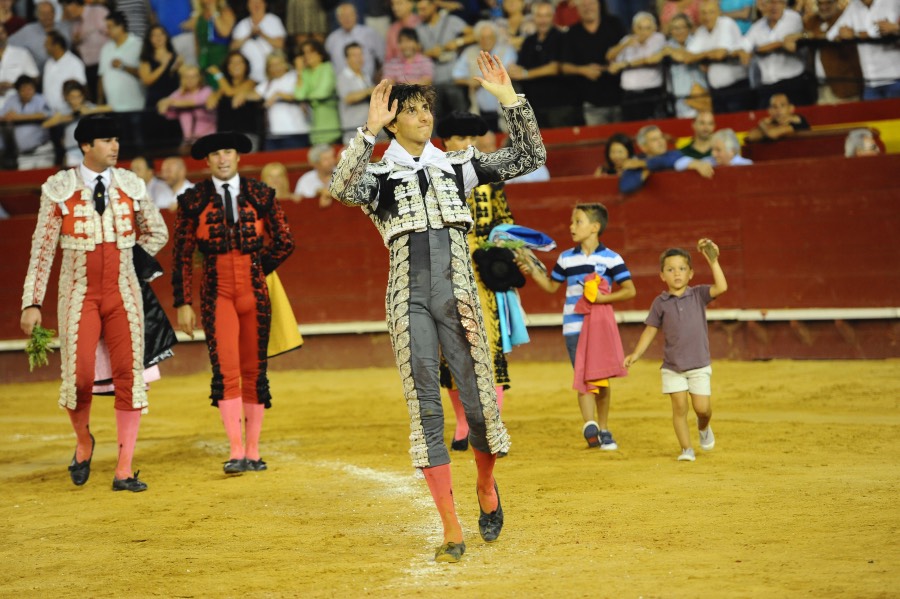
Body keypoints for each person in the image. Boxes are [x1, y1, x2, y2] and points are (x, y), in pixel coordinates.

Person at [329, 52, 546, 563]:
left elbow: (529, 156)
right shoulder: (379, 177)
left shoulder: (459, 166)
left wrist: (509, 98)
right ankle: (451, 528)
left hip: (460, 293)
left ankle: (486, 486)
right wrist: (366, 133)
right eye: (413, 111)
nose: (426, 117)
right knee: (425, 402)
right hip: (408, 299)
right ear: (393, 120)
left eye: (428, 108)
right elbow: (340, 187)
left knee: (478, 403)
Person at [19, 114, 168, 492]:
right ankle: (84, 442)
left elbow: (157, 231)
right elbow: (41, 251)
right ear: (86, 146)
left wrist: (131, 260)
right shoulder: (59, 188)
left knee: (129, 379)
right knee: (79, 378)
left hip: (123, 293)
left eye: (116, 139)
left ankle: (123, 468)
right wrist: (31, 303)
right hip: (78, 295)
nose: (114, 146)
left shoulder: (131, 184)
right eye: (106, 140)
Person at [172, 131, 295, 474]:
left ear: (238, 157)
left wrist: (257, 269)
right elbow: (181, 256)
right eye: (215, 154)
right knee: (226, 372)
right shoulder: (193, 200)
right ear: (207, 161)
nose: (222, 158)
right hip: (217, 296)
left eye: (227, 152)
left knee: (254, 372)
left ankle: (253, 451)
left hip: (254, 295)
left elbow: (285, 240)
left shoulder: (260, 194)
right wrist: (183, 302)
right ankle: (237, 450)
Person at [516, 203, 635, 451]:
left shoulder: (611, 258)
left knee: (600, 379)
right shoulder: (566, 258)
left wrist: (603, 299)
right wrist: (533, 272)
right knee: (583, 375)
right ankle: (591, 425)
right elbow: (551, 287)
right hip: (574, 326)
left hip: (600, 328)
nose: (571, 226)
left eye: (577, 221)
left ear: (595, 227)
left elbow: (629, 290)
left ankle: (602, 428)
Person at [434, 111, 514, 452]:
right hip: (447, 270)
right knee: (452, 349)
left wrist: (499, 249)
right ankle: (464, 423)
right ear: (446, 142)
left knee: (489, 346)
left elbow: (506, 220)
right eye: (460, 139)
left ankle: (492, 424)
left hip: (483, 272)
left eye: (472, 138)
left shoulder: (490, 178)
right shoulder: (433, 175)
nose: (468, 145)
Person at [623, 239, 727, 461]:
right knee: (679, 407)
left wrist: (713, 262)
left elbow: (722, 287)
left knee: (702, 409)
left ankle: (704, 428)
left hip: (699, 364)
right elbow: (650, 331)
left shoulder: (698, 294)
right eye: (670, 270)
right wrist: (636, 354)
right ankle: (686, 448)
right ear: (662, 275)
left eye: (682, 269)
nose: (676, 274)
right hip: (673, 367)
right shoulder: (660, 303)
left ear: (690, 273)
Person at [509, 1, 579, 128]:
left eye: (547, 16)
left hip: (559, 105)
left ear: (553, 17)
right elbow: (521, 67)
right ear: (533, 18)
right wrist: (514, 70)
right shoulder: (528, 42)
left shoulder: (562, 38)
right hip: (534, 107)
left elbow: (555, 67)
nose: (543, 20)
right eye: (539, 16)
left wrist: (525, 74)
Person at [560, 0, 627, 125]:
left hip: (620, 96)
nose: (587, 8)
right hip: (590, 101)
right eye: (583, 5)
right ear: (578, 9)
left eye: (591, 4)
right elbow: (563, 67)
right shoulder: (572, 33)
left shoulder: (614, 24)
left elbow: (628, 49)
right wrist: (583, 70)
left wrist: (615, 65)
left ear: (599, 5)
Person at [785, 0, 862, 104]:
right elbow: (789, 42)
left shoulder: (845, 17)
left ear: (837, 3)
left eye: (828, 3)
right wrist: (807, 36)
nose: (824, 7)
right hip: (820, 86)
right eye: (820, 3)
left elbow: (833, 36)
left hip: (844, 86)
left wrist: (815, 36)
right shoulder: (813, 21)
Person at [684, 0, 753, 113]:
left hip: (736, 88)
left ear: (718, 13)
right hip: (716, 91)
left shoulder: (726, 23)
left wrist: (702, 56)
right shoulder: (701, 31)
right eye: (704, 13)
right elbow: (687, 57)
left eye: (711, 12)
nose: (707, 16)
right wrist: (706, 56)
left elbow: (719, 53)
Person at [741, 0, 811, 108]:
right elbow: (744, 47)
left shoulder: (793, 18)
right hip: (767, 85)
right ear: (763, 5)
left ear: (785, 4)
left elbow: (793, 43)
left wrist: (761, 49)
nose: (775, 7)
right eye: (771, 2)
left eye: (779, 2)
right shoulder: (757, 27)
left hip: (792, 82)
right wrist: (747, 52)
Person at [826, 0, 900, 100]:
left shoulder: (892, 2)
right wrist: (842, 33)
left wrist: (855, 35)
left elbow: (883, 31)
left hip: (893, 78)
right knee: (871, 115)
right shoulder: (854, 5)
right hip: (870, 82)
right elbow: (831, 34)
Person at [452, 21, 516, 132]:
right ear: (477, 38)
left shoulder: (507, 50)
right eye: (482, 37)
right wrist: (469, 82)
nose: (486, 41)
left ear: (495, 37)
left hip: (505, 109)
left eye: (489, 37)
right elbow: (456, 75)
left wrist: (481, 80)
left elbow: (509, 72)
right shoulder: (469, 52)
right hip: (478, 109)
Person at [606, 11, 667, 121]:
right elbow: (609, 57)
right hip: (629, 94)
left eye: (647, 28)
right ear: (634, 28)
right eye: (640, 28)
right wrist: (624, 45)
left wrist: (624, 64)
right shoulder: (627, 40)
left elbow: (650, 60)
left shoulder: (658, 38)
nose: (643, 32)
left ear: (654, 29)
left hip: (650, 92)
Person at [42, 78, 111, 167]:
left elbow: (109, 108)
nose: (76, 100)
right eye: (73, 97)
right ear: (67, 98)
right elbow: (45, 124)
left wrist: (89, 112)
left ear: (83, 96)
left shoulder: (87, 107)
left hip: (90, 150)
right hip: (72, 151)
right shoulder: (64, 110)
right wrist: (65, 118)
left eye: (79, 96)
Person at [249, 52, 311, 150]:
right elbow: (252, 95)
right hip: (273, 135)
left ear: (285, 64)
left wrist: (278, 94)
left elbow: (300, 94)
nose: (275, 68)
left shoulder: (293, 76)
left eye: (278, 64)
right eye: (272, 65)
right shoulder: (267, 84)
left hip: (295, 132)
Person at [207, 51, 262, 149]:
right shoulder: (222, 89)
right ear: (227, 67)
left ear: (246, 66)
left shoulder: (251, 83)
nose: (235, 65)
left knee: (247, 164)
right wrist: (213, 96)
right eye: (231, 62)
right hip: (224, 136)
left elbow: (230, 92)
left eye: (239, 62)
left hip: (246, 136)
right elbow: (210, 104)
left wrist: (218, 75)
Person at [293, 39, 341, 145]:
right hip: (314, 131)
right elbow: (299, 95)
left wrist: (307, 99)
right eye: (304, 53)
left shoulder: (327, 67)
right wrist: (299, 72)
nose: (307, 56)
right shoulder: (305, 72)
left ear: (320, 54)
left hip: (330, 129)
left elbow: (322, 93)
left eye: (311, 52)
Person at [158, 64, 217, 148]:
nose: (190, 80)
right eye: (186, 77)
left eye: (193, 76)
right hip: (188, 141)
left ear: (199, 78)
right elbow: (166, 110)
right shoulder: (180, 93)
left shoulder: (206, 90)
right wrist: (163, 103)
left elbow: (196, 102)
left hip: (208, 139)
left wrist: (170, 102)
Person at [1, 73, 53, 168]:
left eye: (30, 89)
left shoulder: (40, 99)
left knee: (46, 181)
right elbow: (2, 116)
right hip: (22, 154)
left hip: (42, 150)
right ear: (18, 91)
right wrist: (6, 118)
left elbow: (47, 115)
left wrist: (18, 117)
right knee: (24, 182)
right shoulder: (12, 100)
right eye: (23, 89)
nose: (27, 92)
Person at [324, 2, 384, 83]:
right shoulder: (331, 39)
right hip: (341, 86)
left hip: (367, 84)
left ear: (356, 15)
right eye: (343, 16)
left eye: (350, 15)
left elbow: (383, 57)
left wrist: (379, 77)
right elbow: (327, 64)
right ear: (338, 18)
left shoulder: (369, 33)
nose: (347, 19)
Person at [61, 0, 108, 101]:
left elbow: (111, 32)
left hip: (105, 66)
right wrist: (76, 41)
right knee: (94, 101)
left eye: (66, 8)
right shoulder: (75, 24)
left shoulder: (98, 12)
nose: (64, 13)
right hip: (88, 69)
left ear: (73, 4)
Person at [231, 0, 286, 84]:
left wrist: (262, 34)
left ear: (265, 4)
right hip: (249, 76)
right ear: (248, 6)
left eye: (259, 3)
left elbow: (280, 44)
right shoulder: (242, 24)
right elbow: (233, 47)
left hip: (271, 73)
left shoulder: (274, 20)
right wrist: (248, 35)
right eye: (252, 3)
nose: (256, 6)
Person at [336, 41, 375, 143]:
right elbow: (348, 98)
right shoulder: (343, 77)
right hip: (352, 133)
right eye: (354, 55)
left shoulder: (365, 75)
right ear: (346, 59)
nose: (359, 58)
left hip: (369, 130)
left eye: (360, 54)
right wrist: (369, 91)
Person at [194, 0, 235, 87]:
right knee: (207, 87)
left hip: (221, 57)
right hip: (204, 59)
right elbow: (197, 42)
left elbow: (225, 32)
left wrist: (214, 13)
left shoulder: (225, 12)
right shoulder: (199, 16)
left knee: (221, 85)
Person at [745, 92, 809, 142]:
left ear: (791, 108)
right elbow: (751, 136)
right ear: (769, 111)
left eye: (782, 105)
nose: (778, 110)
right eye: (774, 106)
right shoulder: (771, 123)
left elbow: (772, 134)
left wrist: (762, 123)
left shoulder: (798, 120)